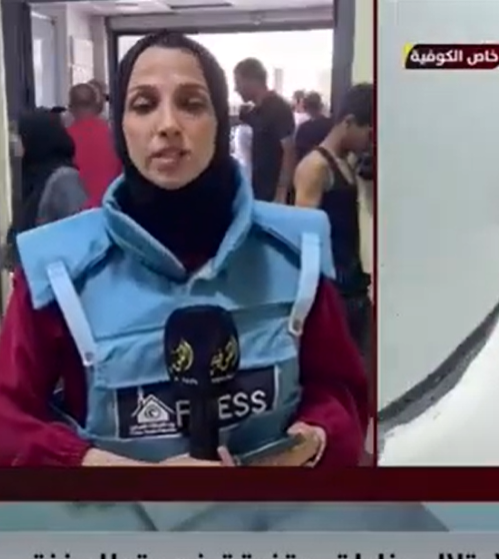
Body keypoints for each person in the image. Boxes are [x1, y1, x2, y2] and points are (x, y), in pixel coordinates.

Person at [0, 31, 369, 467]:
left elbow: (341, 391)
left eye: (192, 104)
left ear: (221, 123)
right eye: (143, 105)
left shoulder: (295, 253)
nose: (168, 124)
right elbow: (9, 420)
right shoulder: (57, 269)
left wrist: (312, 438)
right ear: (122, 125)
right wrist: (113, 471)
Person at [292, 83, 374, 397]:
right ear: (348, 122)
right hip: (333, 292)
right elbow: (303, 238)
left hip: (354, 286)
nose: (369, 141)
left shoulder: (347, 164)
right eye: (368, 133)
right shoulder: (315, 167)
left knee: (362, 380)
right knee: (338, 382)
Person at [2, 109, 88, 270]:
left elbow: (79, 238)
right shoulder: (34, 179)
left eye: (20, 136)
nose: (14, 143)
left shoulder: (64, 180)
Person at [233, 58, 295, 203]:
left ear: (252, 80)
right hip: (258, 191)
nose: (236, 88)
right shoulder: (255, 112)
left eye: (238, 82)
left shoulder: (279, 108)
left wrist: (281, 191)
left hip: (273, 195)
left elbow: (289, 151)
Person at [66, 83, 122, 206]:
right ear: (97, 106)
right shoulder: (115, 136)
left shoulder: (63, 139)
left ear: (70, 108)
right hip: (109, 208)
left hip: (77, 212)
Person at [294, 91, 334, 164]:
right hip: (328, 163)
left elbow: (298, 152)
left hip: (308, 164)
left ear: (306, 108)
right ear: (320, 106)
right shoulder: (331, 124)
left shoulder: (303, 128)